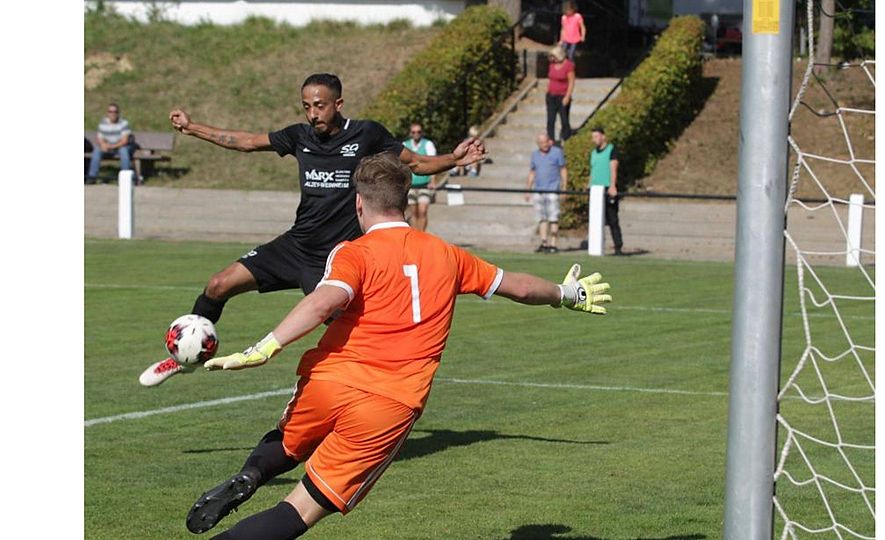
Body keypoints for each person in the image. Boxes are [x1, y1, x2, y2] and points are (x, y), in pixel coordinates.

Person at [184, 151, 612, 539]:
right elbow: (517, 286)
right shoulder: (448, 254)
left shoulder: (352, 251)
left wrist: (266, 347)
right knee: (299, 509)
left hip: (329, 380)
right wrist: (566, 293)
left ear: (358, 203)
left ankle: (250, 475)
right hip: (390, 402)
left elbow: (324, 301)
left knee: (288, 441)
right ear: (405, 201)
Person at [138, 73, 485, 387]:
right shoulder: (299, 136)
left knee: (345, 330)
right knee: (217, 284)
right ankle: (184, 356)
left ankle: (380, 384)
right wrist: (192, 127)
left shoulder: (367, 134)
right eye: (306, 106)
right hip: (295, 246)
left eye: (319, 105)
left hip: (336, 259)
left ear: (338, 104)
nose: (312, 113)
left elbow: (417, 163)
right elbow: (245, 142)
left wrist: (455, 159)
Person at [525, 133, 567, 253]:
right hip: (539, 190)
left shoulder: (557, 152)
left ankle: (553, 244)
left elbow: (563, 169)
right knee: (541, 218)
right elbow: (532, 172)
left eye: (545, 142)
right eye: (541, 143)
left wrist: (564, 187)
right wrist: (528, 189)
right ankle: (544, 243)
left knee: (553, 217)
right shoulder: (535, 155)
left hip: (553, 189)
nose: (544, 145)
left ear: (549, 141)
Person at [589, 126, 624, 255]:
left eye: (596, 136)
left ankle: (618, 246)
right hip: (596, 189)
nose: (594, 140)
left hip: (607, 188)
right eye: (593, 137)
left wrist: (612, 185)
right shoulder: (593, 153)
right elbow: (593, 170)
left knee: (612, 218)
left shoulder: (611, 150)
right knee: (598, 220)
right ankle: (598, 246)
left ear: (603, 137)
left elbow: (613, 168)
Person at [86, 103, 137, 184]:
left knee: (123, 151)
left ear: (118, 113)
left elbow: (124, 141)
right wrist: (103, 145)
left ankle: (126, 178)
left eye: (115, 112)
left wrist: (112, 146)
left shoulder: (124, 123)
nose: (113, 114)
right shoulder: (102, 123)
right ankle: (92, 177)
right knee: (97, 150)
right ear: (107, 113)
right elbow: (99, 138)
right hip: (108, 146)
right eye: (110, 111)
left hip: (121, 146)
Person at [402, 122, 437, 231]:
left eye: (419, 132)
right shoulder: (405, 145)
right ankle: (416, 235)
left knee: (422, 211)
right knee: (413, 213)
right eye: (414, 132)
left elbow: (433, 163)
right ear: (410, 133)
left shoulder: (428, 144)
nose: (416, 134)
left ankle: (422, 234)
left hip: (424, 184)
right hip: (410, 185)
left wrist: (433, 180)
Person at [545, 46, 575, 143]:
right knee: (550, 120)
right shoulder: (551, 65)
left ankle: (566, 138)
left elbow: (571, 81)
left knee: (564, 120)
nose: (552, 59)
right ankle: (551, 140)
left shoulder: (568, 65)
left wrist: (567, 96)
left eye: (554, 56)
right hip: (551, 96)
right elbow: (550, 78)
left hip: (562, 95)